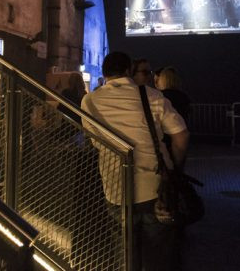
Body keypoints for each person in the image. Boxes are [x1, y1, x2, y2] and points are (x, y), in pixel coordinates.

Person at [81, 51, 189, 271]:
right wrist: (175, 167)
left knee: (125, 254)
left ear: (104, 73)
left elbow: (94, 140)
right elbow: (181, 135)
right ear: (128, 70)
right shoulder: (151, 95)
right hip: (155, 188)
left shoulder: (89, 100)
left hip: (116, 187)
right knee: (158, 256)